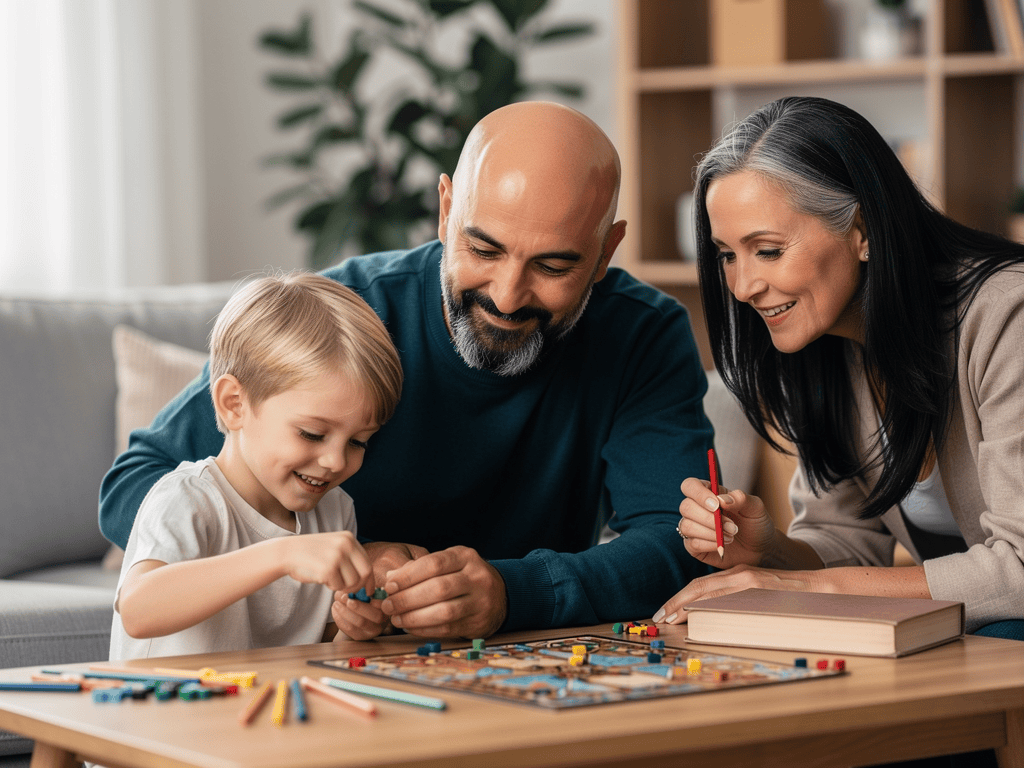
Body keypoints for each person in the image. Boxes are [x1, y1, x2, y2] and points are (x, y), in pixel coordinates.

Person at [100, 101, 714, 641]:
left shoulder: (642, 334)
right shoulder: (346, 316)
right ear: (446, 211)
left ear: (606, 251)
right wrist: (320, 562)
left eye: (553, 267)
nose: (507, 295)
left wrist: (512, 592)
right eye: (484, 249)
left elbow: (677, 539)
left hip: (523, 653)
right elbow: (136, 482)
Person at [656, 96, 1024, 643]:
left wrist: (806, 590)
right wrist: (770, 551)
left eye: (769, 250)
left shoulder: (1006, 315)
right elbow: (846, 544)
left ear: (864, 230)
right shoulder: (820, 342)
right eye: (728, 255)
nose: (741, 287)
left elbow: (1018, 571)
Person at [109, 271, 404, 660]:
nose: (336, 461)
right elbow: (138, 609)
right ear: (234, 404)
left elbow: (320, 643)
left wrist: (352, 628)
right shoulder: (188, 499)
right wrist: (281, 556)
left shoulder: (335, 512)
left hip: (262, 711)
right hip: (160, 715)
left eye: (357, 442)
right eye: (312, 434)